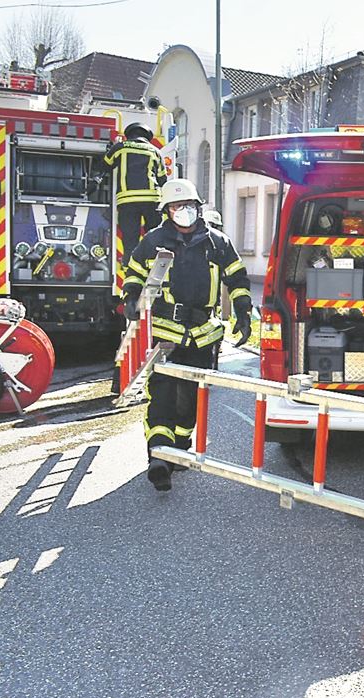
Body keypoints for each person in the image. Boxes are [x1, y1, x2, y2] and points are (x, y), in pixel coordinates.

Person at [121, 179, 251, 492]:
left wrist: (244, 312)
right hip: (165, 331)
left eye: (189, 206)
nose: (184, 211)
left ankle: (178, 447)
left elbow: (237, 277)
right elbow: (135, 271)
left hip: (203, 334)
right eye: (178, 206)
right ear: (167, 210)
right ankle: (159, 457)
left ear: (198, 207)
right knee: (162, 393)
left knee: (190, 399)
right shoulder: (153, 241)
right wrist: (130, 297)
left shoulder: (217, 242)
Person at [104, 122, 166, 264]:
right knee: (153, 233)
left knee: (130, 236)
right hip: (152, 200)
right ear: (147, 137)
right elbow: (163, 179)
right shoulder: (155, 151)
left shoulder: (120, 148)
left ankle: (130, 263)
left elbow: (105, 165)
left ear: (129, 135)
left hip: (128, 200)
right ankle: (153, 262)